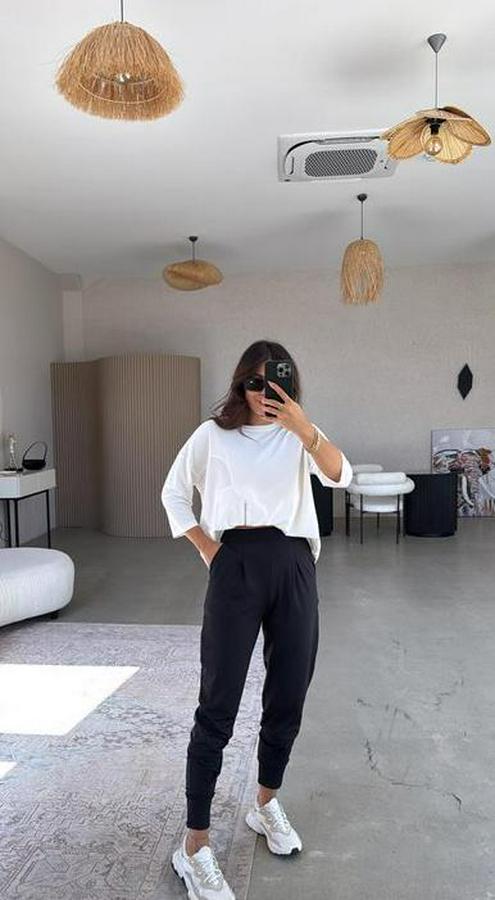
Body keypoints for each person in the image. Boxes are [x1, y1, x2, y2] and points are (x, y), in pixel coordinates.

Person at [161, 340, 352, 900]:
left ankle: (265, 803)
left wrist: (304, 428)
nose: (264, 395)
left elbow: (340, 475)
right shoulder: (212, 436)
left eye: (276, 384)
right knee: (218, 703)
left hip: (294, 565)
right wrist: (208, 549)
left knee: (288, 693)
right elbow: (173, 494)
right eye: (255, 383)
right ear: (240, 384)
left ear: (290, 387)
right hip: (236, 565)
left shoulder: (299, 436)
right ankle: (194, 845)